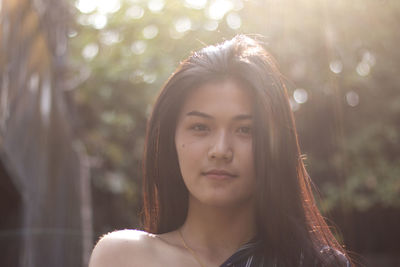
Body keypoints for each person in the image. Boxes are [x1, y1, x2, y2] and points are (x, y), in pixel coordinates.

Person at [89, 35, 351, 267]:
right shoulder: (123, 257)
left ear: (275, 146)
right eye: (200, 127)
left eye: (245, 130)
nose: (220, 150)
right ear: (171, 139)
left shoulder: (314, 263)